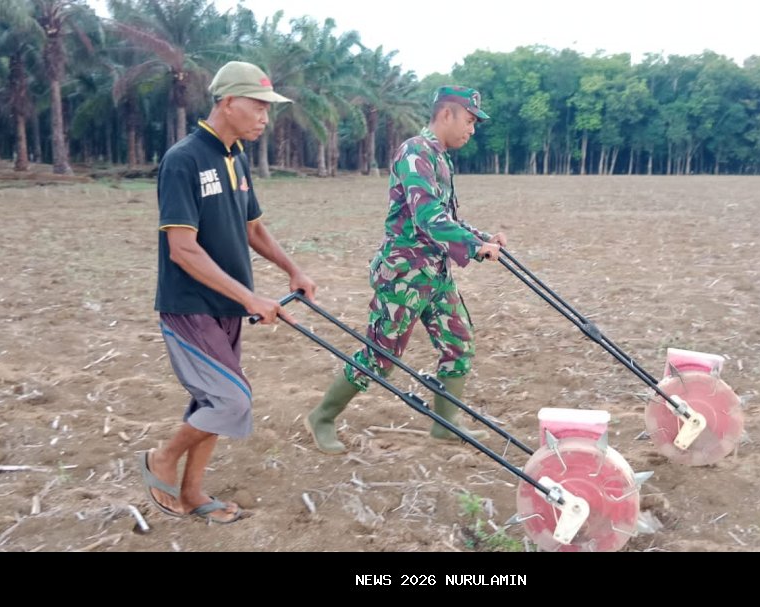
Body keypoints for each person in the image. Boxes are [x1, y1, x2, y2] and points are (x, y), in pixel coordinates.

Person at [139, 61, 317, 524]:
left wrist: (292, 269)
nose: (264, 117)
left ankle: (194, 493)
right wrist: (251, 298)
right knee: (230, 400)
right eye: (257, 106)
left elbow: (253, 227)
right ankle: (163, 457)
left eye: (267, 108)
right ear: (227, 102)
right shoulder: (184, 159)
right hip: (190, 306)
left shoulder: (235, 157)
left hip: (227, 308)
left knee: (213, 403)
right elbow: (182, 250)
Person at [304, 85, 506, 455]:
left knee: (459, 342)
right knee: (380, 358)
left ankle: (445, 425)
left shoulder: (440, 157)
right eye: (470, 120)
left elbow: (446, 217)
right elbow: (428, 218)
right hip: (404, 276)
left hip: (435, 273)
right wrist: (476, 249)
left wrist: (482, 237)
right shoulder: (415, 152)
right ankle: (322, 417)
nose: (472, 129)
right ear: (447, 114)